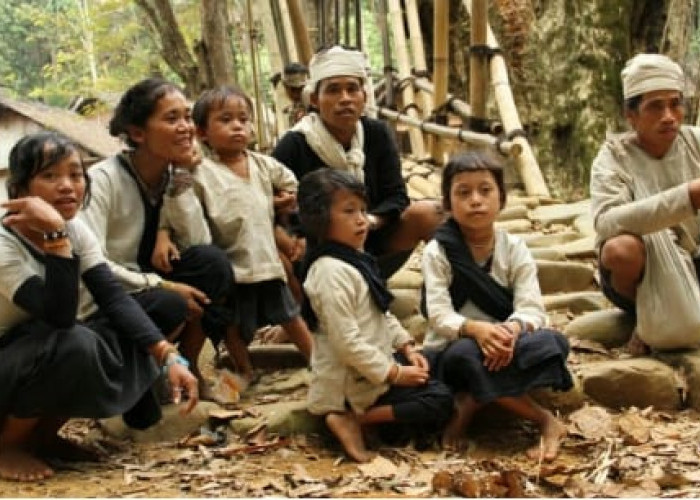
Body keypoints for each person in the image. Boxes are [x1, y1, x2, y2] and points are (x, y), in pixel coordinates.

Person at [0, 132, 198, 482]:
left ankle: (43, 437)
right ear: (19, 190)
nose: (67, 186)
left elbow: (113, 297)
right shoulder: (6, 244)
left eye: (75, 175)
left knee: (162, 307)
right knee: (75, 342)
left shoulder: (74, 229)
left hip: (38, 346)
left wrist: (168, 355)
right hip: (10, 358)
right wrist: (55, 239)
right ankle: (7, 444)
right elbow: (58, 314)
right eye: (50, 176)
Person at [79, 77, 234, 398]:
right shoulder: (102, 181)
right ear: (137, 133)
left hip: (149, 283)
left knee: (213, 264)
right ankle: (147, 374)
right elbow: (92, 265)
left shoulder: (174, 173)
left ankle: (187, 364)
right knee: (170, 303)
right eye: (171, 118)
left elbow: (197, 241)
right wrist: (161, 284)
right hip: (107, 297)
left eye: (187, 117)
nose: (186, 127)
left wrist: (181, 179)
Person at [155, 85, 313, 384]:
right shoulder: (200, 171)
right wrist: (164, 233)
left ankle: (316, 361)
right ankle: (245, 369)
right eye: (226, 120)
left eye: (243, 119)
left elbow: (290, 180)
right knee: (233, 326)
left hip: (266, 261)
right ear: (202, 133)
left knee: (289, 315)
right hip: (231, 265)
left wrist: (286, 198)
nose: (238, 126)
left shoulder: (261, 164)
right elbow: (174, 206)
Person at [421, 151, 572, 460]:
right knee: (466, 355)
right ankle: (545, 419)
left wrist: (509, 330)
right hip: (456, 346)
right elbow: (438, 315)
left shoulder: (514, 248)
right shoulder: (438, 251)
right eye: (463, 192)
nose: (475, 200)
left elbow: (532, 308)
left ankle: (470, 401)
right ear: (448, 204)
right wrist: (476, 330)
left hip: (507, 342)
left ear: (501, 199)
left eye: (485, 190)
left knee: (553, 343)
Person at [298, 168, 453, 463]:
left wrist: (406, 348)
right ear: (320, 219)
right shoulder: (330, 272)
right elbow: (346, 343)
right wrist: (396, 373)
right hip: (352, 381)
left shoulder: (355, 260)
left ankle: (376, 418)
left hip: (374, 364)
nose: (361, 219)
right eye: (348, 211)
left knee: (437, 364)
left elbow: (381, 313)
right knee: (439, 400)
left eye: (363, 210)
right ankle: (355, 419)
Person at [273, 45, 444, 279]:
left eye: (352, 89)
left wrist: (368, 220)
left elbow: (396, 197)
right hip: (318, 254)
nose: (345, 99)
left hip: (372, 240)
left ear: (364, 96)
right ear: (314, 99)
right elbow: (268, 208)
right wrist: (294, 237)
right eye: (333, 90)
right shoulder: (294, 145)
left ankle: (444, 294)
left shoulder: (377, 134)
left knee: (430, 213)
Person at [590, 53, 700, 354]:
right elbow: (606, 222)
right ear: (631, 115)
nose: (669, 116)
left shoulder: (695, 142)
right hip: (646, 271)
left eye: (675, 104)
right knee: (620, 250)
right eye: (655, 106)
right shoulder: (612, 159)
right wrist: (687, 197)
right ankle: (647, 316)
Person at [281, 62, 310, 127]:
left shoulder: (313, 107)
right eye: (293, 90)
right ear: (285, 87)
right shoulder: (293, 108)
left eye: (300, 89)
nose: (296, 95)